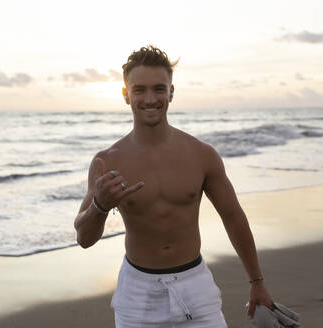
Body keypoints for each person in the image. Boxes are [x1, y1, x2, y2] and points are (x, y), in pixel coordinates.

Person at [74, 45, 274, 327]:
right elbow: (84, 238)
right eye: (139, 89)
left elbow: (233, 217)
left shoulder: (201, 154)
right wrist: (99, 206)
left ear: (171, 92)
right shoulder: (107, 161)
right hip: (137, 295)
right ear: (125, 94)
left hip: (195, 287)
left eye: (159, 88)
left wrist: (257, 282)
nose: (150, 98)